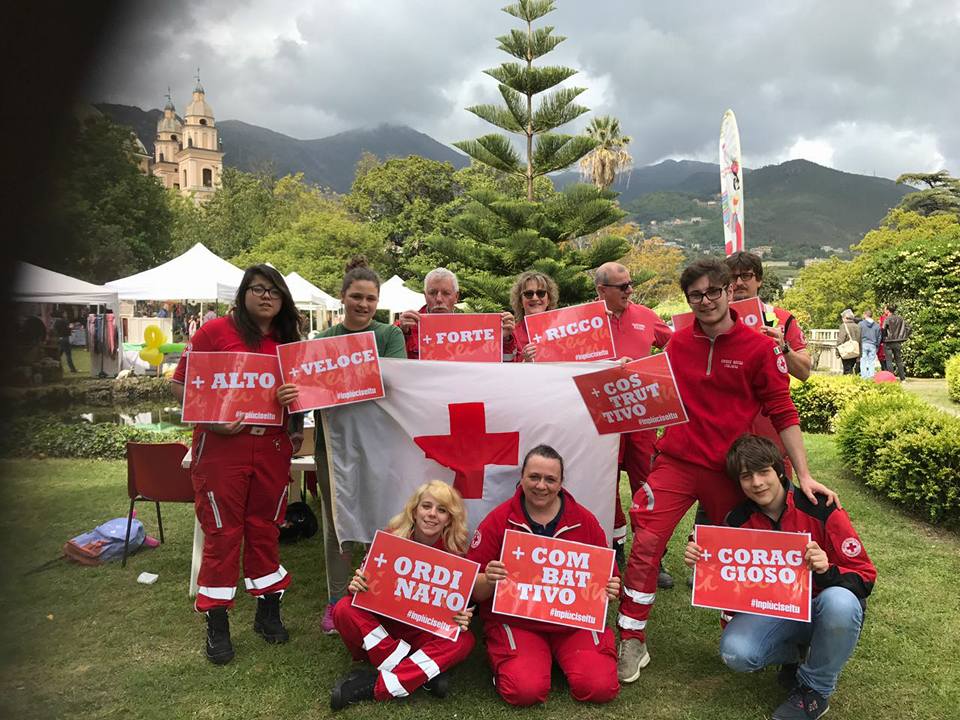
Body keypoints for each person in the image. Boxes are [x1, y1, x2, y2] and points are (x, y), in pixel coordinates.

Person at [616, 258, 839, 684]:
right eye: (695, 295)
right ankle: (631, 637)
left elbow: (783, 412)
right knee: (646, 542)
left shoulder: (760, 348)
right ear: (688, 300)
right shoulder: (678, 344)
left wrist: (805, 474)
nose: (705, 301)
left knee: (740, 552)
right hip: (678, 463)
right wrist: (625, 375)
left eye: (713, 292)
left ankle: (744, 629)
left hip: (731, 470)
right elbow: (654, 391)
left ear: (729, 291)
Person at [684, 434, 875, 720]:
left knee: (842, 603)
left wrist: (827, 570)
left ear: (780, 471)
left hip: (822, 607)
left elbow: (865, 576)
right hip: (777, 611)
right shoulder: (736, 522)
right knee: (736, 652)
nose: (757, 483)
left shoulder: (821, 508)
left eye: (763, 472)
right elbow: (729, 588)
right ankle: (796, 656)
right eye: (747, 476)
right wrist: (703, 562)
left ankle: (814, 691)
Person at [170, 264, 303, 665]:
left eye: (274, 291)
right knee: (222, 533)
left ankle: (267, 612)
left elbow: (305, 395)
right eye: (258, 289)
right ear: (244, 293)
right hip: (222, 447)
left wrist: (295, 415)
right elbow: (179, 384)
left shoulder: (289, 341)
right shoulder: (214, 332)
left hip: (272, 447)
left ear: (283, 300)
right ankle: (217, 624)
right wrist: (211, 420)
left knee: (266, 528)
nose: (266, 297)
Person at [468, 444, 621, 706]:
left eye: (550, 479)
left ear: (561, 483)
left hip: (573, 624)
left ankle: (558, 659)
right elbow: (472, 589)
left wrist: (611, 588)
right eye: (534, 477)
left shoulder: (584, 521)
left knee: (600, 688)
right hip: (518, 621)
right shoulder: (499, 520)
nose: (541, 486)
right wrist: (489, 580)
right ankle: (527, 664)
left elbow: (609, 581)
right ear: (522, 478)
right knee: (524, 691)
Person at [308, 257, 408, 635]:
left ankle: (377, 595)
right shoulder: (322, 341)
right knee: (337, 523)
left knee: (382, 517)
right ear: (342, 297)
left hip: (381, 444)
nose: (363, 304)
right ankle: (336, 601)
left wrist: (338, 379)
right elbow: (309, 390)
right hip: (333, 448)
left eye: (370, 298)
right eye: (356, 297)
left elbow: (395, 381)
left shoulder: (389, 336)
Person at [329, 481, 475, 710]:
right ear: (414, 511)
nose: (432, 514)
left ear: (449, 519)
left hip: (420, 632)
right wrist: (356, 586)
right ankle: (419, 673)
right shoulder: (390, 540)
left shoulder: (456, 555)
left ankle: (375, 685)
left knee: (464, 639)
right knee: (343, 608)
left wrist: (460, 618)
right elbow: (360, 595)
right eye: (426, 506)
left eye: (442, 510)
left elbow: (453, 613)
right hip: (382, 630)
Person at [595, 262, 674, 584]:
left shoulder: (646, 316)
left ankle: (652, 555)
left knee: (647, 485)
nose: (630, 290)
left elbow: (676, 345)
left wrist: (659, 371)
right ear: (602, 290)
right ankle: (614, 548)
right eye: (622, 286)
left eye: (631, 284)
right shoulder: (584, 323)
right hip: (603, 419)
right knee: (605, 486)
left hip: (642, 418)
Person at [397, 267, 514, 360]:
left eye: (446, 293)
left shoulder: (473, 328)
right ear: (425, 295)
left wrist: (505, 339)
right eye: (432, 293)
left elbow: (504, 363)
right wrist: (402, 334)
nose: (439, 299)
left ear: (456, 296)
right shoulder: (406, 326)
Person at [507, 270, 559, 362]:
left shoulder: (563, 329)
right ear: (521, 302)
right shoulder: (511, 335)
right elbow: (505, 368)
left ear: (548, 300)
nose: (535, 298)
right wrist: (525, 362)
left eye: (541, 293)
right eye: (528, 294)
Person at [881, 304, 911, 381]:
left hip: (888, 342)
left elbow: (883, 329)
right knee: (899, 360)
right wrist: (904, 337)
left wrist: (883, 338)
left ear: (888, 311)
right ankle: (903, 379)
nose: (884, 311)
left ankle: (891, 379)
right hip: (897, 342)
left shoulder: (887, 319)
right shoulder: (900, 318)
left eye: (885, 309)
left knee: (889, 361)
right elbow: (909, 328)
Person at [858, 309, 882, 379]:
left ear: (865, 315)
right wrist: (877, 345)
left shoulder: (861, 324)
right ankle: (871, 376)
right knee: (871, 361)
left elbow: (858, 335)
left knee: (863, 361)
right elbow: (879, 336)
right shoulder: (877, 325)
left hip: (863, 344)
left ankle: (864, 377)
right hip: (873, 345)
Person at [837, 310, 860, 375]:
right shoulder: (857, 326)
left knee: (847, 369)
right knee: (851, 367)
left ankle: (847, 380)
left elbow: (841, 339)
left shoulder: (844, 326)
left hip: (846, 350)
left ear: (845, 318)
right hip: (855, 350)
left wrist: (837, 352)